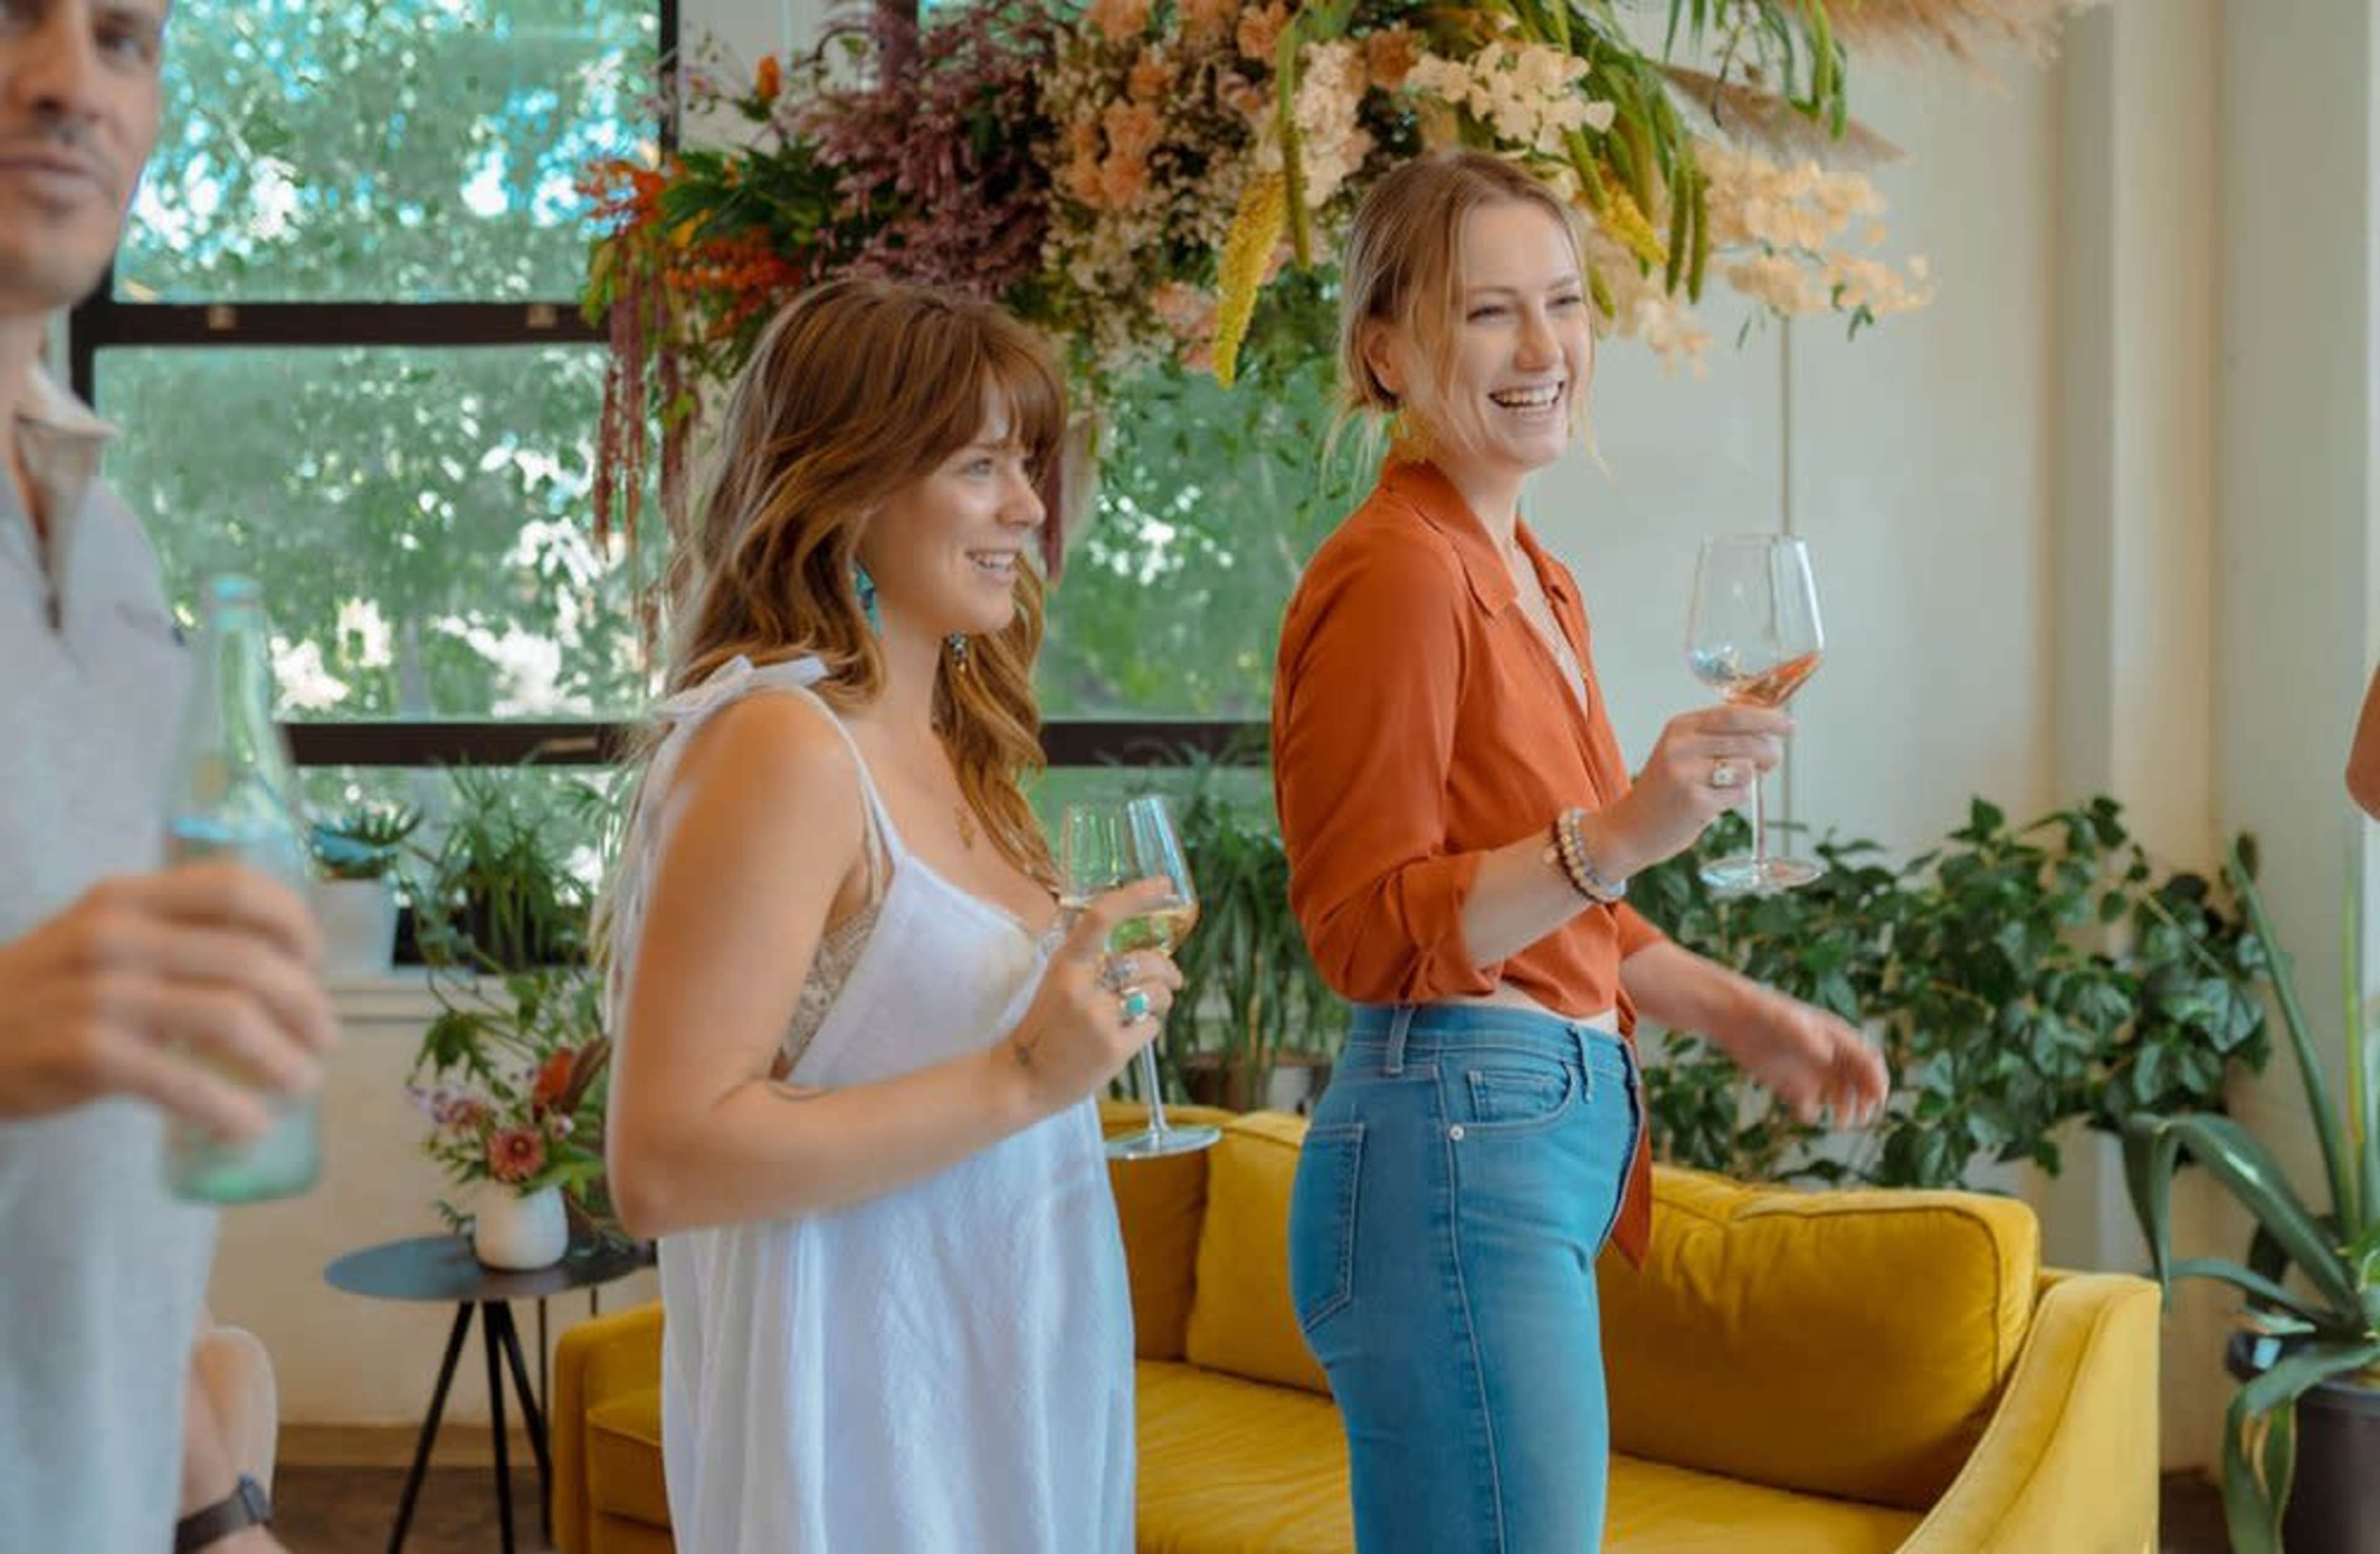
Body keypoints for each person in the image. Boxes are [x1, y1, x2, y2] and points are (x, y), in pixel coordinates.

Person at [1272, 150, 1893, 1552]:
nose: (1545, 348)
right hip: (1451, 1142)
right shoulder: (1399, 573)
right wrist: (1616, 834)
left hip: (1515, 1141)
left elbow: (1555, 911)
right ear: (1385, 350)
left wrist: (1744, 1014)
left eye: (1563, 302)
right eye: (1490, 313)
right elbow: (1365, 930)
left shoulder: (1531, 576)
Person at [600, 277, 1179, 1553]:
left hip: (1016, 1388)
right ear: (852, 486)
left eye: (1027, 465)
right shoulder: (780, 745)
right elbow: (662, 1162)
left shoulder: (955, 750)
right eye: (981, 466)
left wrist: (1082, 1017)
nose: (1028, 507)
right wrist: (1029, 1072)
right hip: (870, 1450)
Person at [0, 2, 336, 1550]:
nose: (70, 80)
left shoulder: (109, 536)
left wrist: (214, 1514)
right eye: (15, 17)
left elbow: (94, 1202)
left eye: (123, 35)